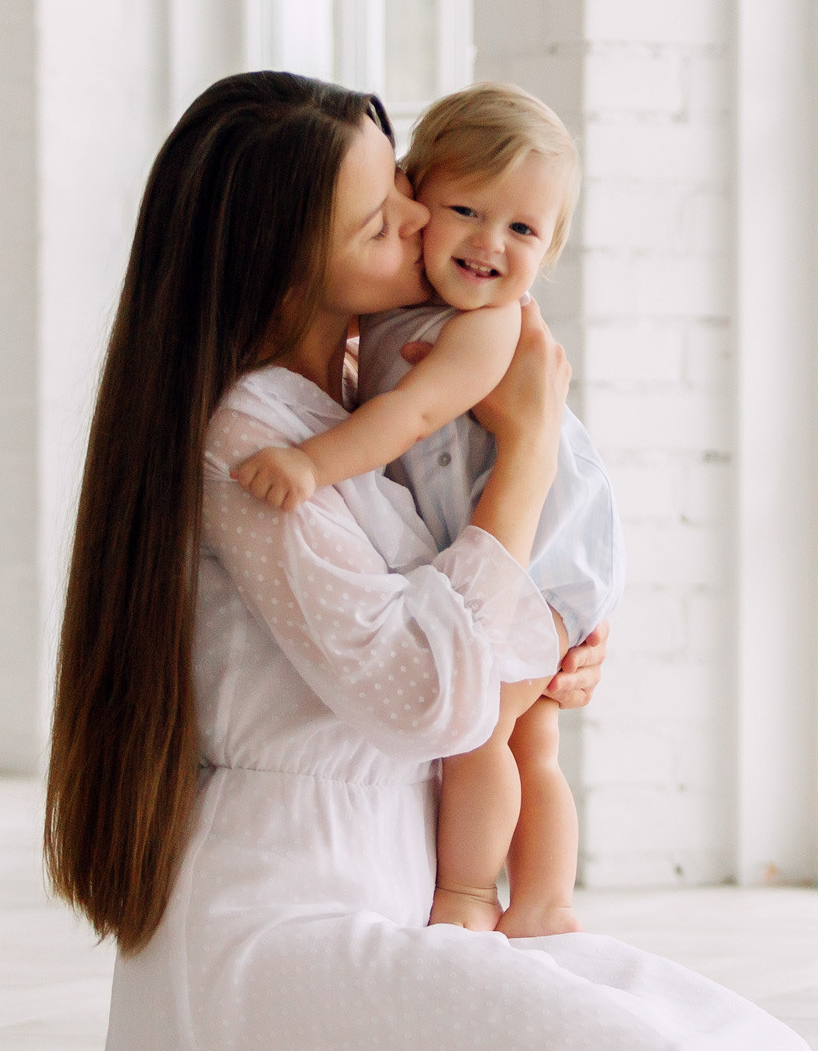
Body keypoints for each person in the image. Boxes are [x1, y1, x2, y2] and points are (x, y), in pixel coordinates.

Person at [0, 73, 818, 1051]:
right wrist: (520, 460)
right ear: (283, 262)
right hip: (277, 949)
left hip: (397, 907)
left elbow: (453, 635)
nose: (427, 227)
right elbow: (425, 696)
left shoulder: (357, 402)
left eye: (406, 194)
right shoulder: (252, 441)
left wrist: (550, 638)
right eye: (388, 218)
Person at [233, 83, 623, 940]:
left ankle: (482, 898)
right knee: (520, 740)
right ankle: (540, 904)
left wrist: (310, 463)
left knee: (495, 731)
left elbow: (406, 421)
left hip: (546, 557)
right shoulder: (298, 387)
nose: (485, 244)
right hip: (517, 564)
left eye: (524, 231)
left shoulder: (485, 326)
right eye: (444, 209)